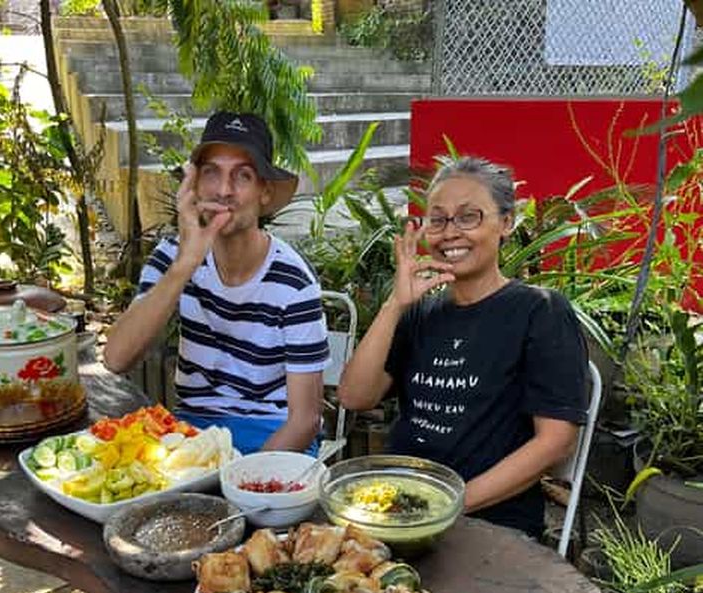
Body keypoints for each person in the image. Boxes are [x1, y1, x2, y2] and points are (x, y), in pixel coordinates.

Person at [338, 157, 588, 537]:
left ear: (506, 223)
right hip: (398, 509)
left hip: (490, 522)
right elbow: (355, 397)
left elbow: (555, 442)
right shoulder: (420, 311)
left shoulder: (540, 311)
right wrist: (395, 304)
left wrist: (446, 507)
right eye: (437, 220)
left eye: (468, 217)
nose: (449, 232)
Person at [104, 111, 329, 455]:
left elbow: (305, 421)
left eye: (242, 176)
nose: (224, 190)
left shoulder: (294, 283)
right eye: (212, 172)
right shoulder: (172, 258)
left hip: (275, 434)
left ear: (264, 192)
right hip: (193, 432)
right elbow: (117, 358)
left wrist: (240, 481)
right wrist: (186, 264)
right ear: (193, 185)